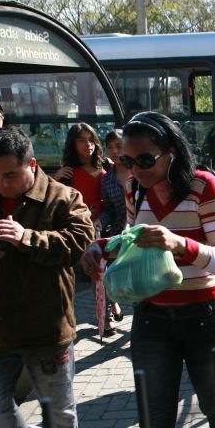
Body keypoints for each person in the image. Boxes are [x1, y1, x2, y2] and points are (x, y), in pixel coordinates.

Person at [80, 112, 215, 428]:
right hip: (152, 320)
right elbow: (134, 242)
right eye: (127, 160)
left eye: (145, 159)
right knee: (154, 422)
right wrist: (100, 248)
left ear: (171, 152)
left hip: (206, 317)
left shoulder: (203, 187)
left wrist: (179, 244)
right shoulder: (135, 190)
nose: (136, 169)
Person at [0, 126, 94, 428]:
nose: (1, 183)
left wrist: (27, 237)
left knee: (60, 413)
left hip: (47, 327)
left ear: (31, 165)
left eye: (9, 175)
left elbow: (78, 244)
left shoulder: (63, 197)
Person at [98, 129, 129, 334]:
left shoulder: (140, 171)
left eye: (118, 146)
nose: (114, 151)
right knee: (108, 275)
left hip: (141, 232)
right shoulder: (107, 179)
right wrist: (99, 221)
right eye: (110, 147)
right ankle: (108, 315)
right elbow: (109, 210)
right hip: (117, 233)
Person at [53, 123, 106, 222]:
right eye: (82, 140)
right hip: (79, 223)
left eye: (91, 140)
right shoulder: (67, 172)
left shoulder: (107, 165)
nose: (88, 144)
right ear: (73, 144)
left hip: (106, 223)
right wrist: (55, 178)